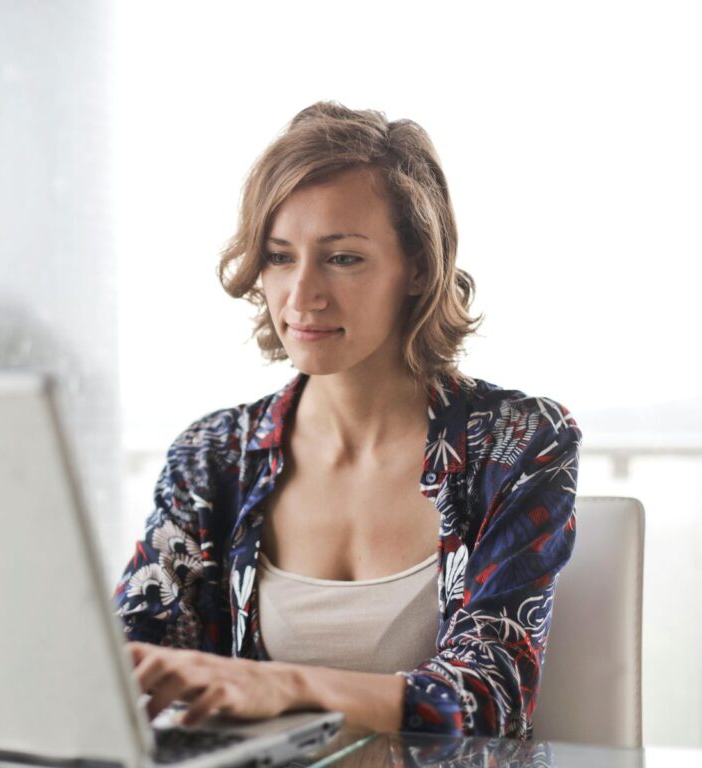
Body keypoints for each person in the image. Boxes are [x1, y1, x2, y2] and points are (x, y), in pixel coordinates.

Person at [112, 101, 581, 740]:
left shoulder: (518, 442)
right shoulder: (215, 455)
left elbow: (494, 696)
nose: (301, 295)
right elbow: (127, 663)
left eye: (343, 258)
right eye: (279, 257)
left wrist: (283, 685)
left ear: (417, 268)